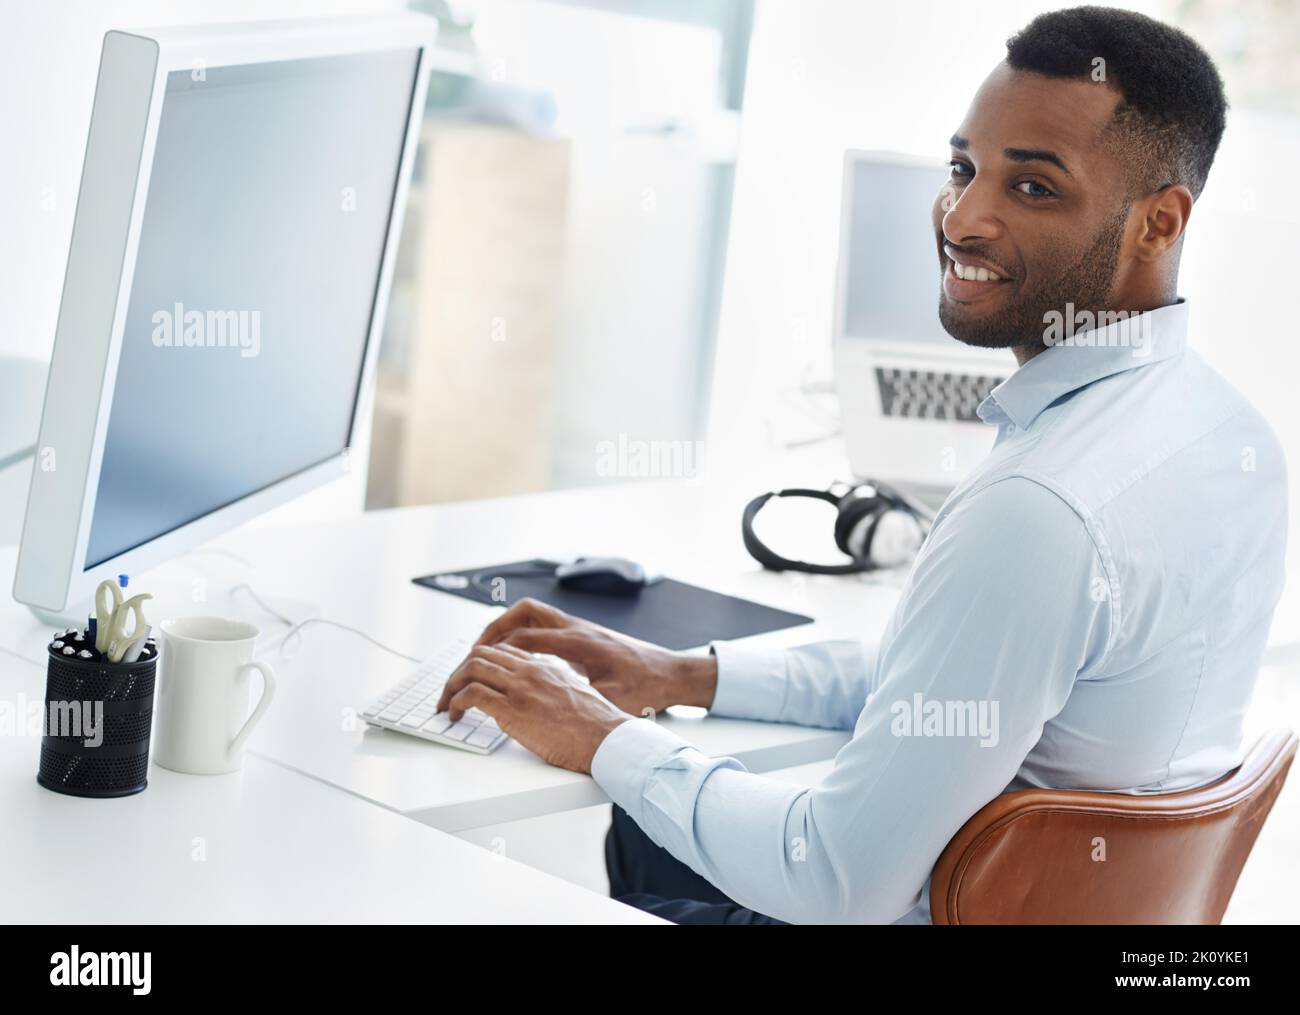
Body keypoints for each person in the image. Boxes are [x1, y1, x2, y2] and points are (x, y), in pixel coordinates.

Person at [438, 6, 1288, 924]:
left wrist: (599, 734)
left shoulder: (1041, 511)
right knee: (649, 826)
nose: (964, 218)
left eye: (1034, 188)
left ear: (1158, 224)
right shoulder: (1230, 437)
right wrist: (686, 674)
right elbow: (949, 682)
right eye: (963, 169)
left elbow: (835, 884)